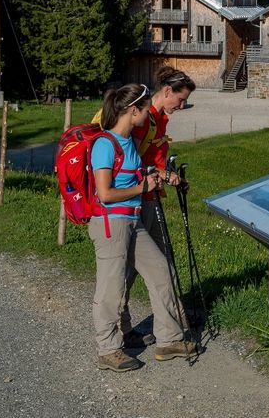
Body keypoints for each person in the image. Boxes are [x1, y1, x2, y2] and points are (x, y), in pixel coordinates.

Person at [90, 83, 196, 372]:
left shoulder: (128, 144)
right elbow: (105, 194)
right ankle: (108, 349)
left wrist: (154, 175)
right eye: (146, 109)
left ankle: (170, 339)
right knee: (111, 285)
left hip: (132, 221)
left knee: (161, 269)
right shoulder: (104, 144)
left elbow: (137, 173)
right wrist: (142, 186)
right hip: (111, 224)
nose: (150, 114)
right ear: (132, 110)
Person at [121, 67, 197, 348]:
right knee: (133, 268)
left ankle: (174, 319)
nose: (182, 105)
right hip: (136, 200)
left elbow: (154, 158)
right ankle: (123, 327)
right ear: (167, 92)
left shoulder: (158, 118)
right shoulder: (143, 119)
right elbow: (132, 163)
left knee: (162, 261)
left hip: (151, 198)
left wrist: (168, 175)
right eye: (180, 99)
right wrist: (164, 175)